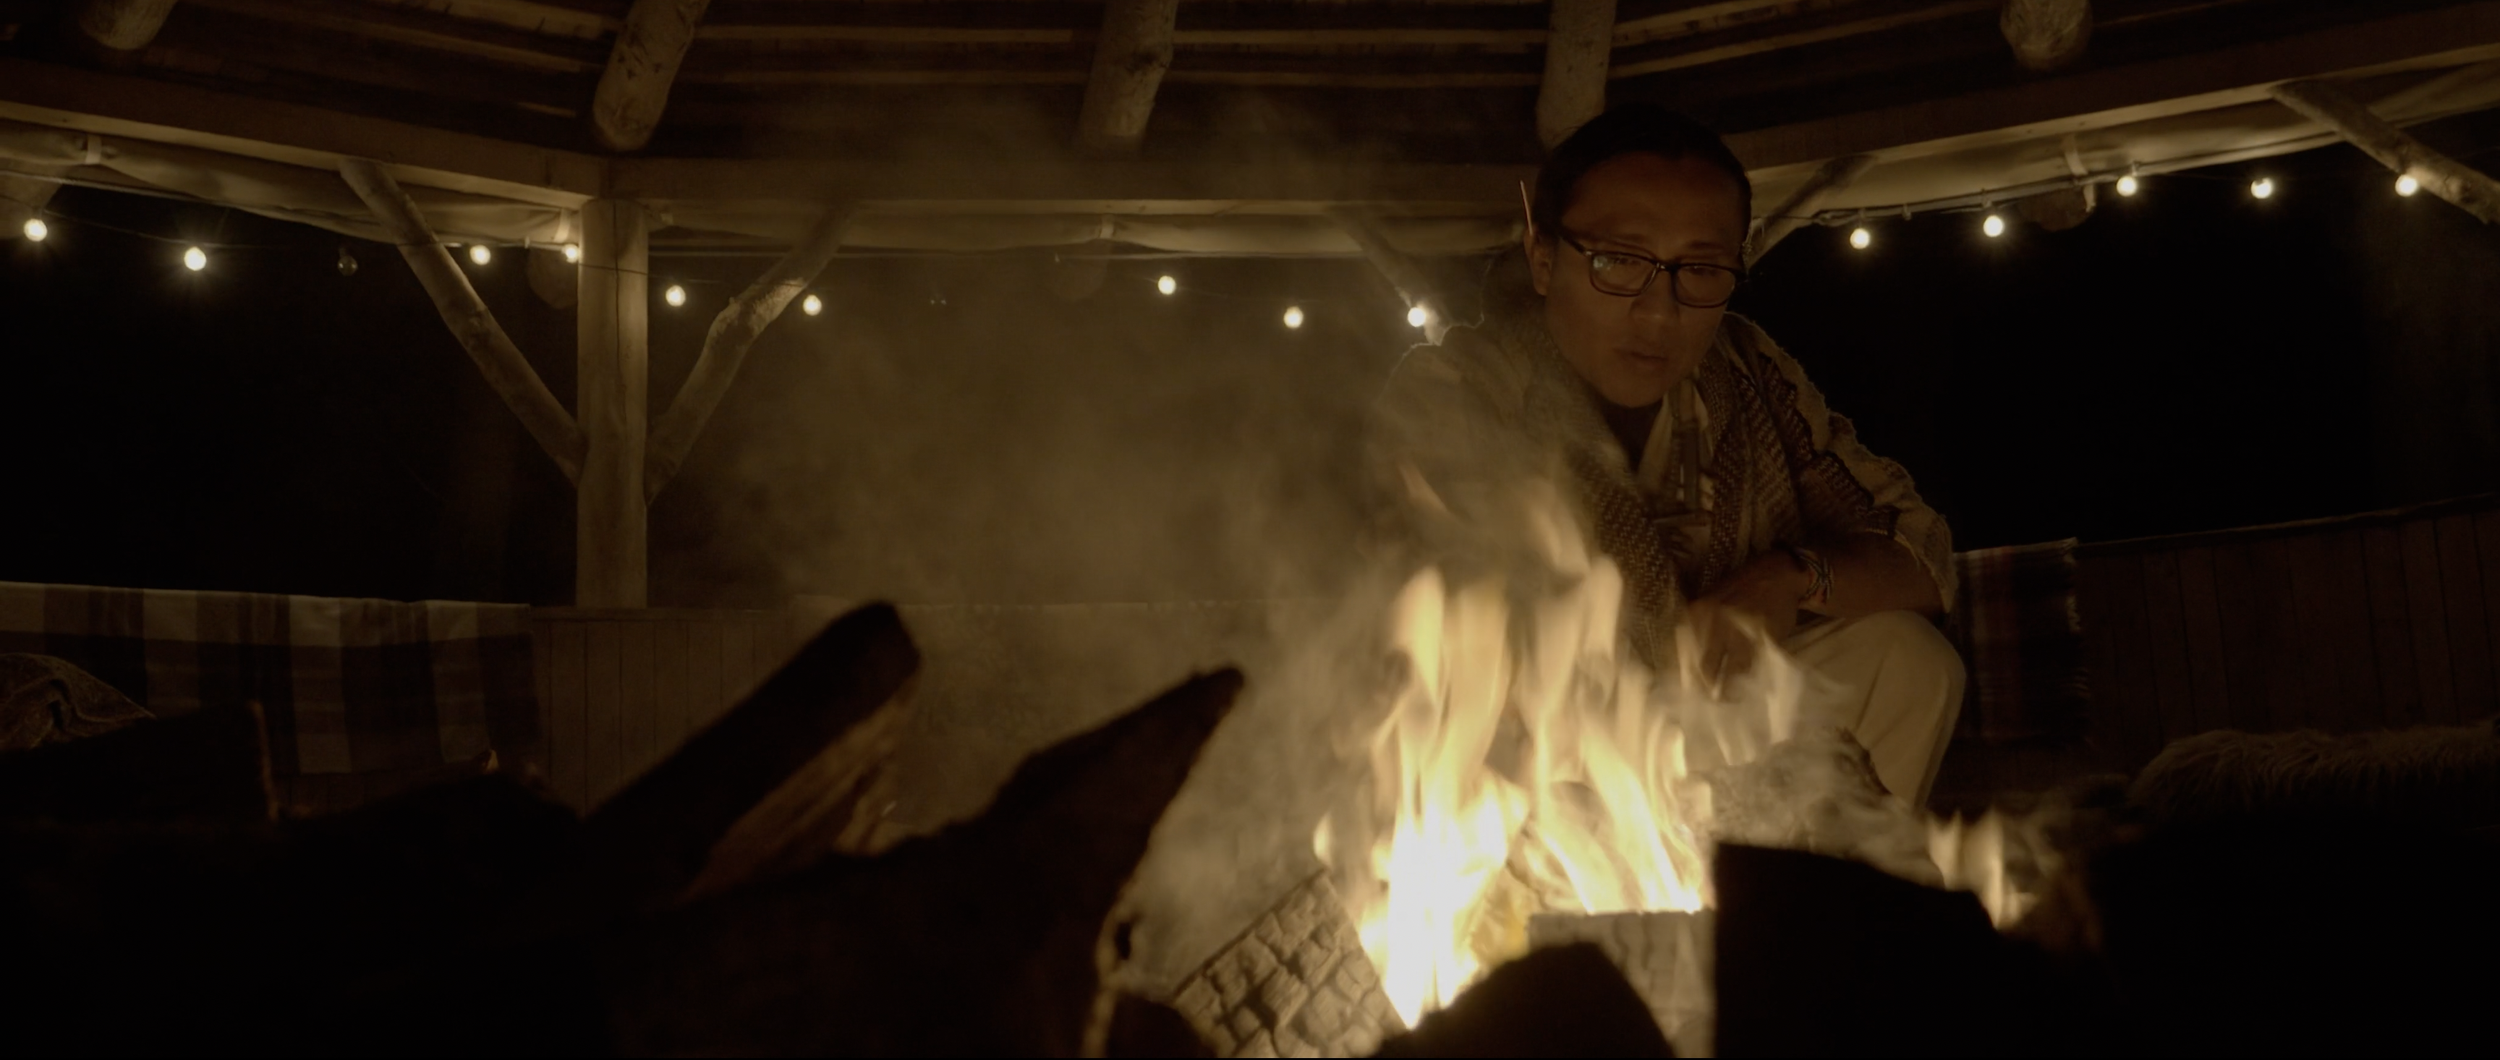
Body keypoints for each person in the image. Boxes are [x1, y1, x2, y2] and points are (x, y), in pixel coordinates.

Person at [1370, 103, 1965, 805]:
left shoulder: (1744, 367)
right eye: (1618, 261)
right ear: (1543, 259)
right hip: (1538, 754)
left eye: (1702, 269)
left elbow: (1921, 556)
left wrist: (1789, 579)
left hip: (1712, 732)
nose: (1659, 312)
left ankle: (1817, 897)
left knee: (1908, 663)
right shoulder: (1460, 387)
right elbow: (1457, 610)